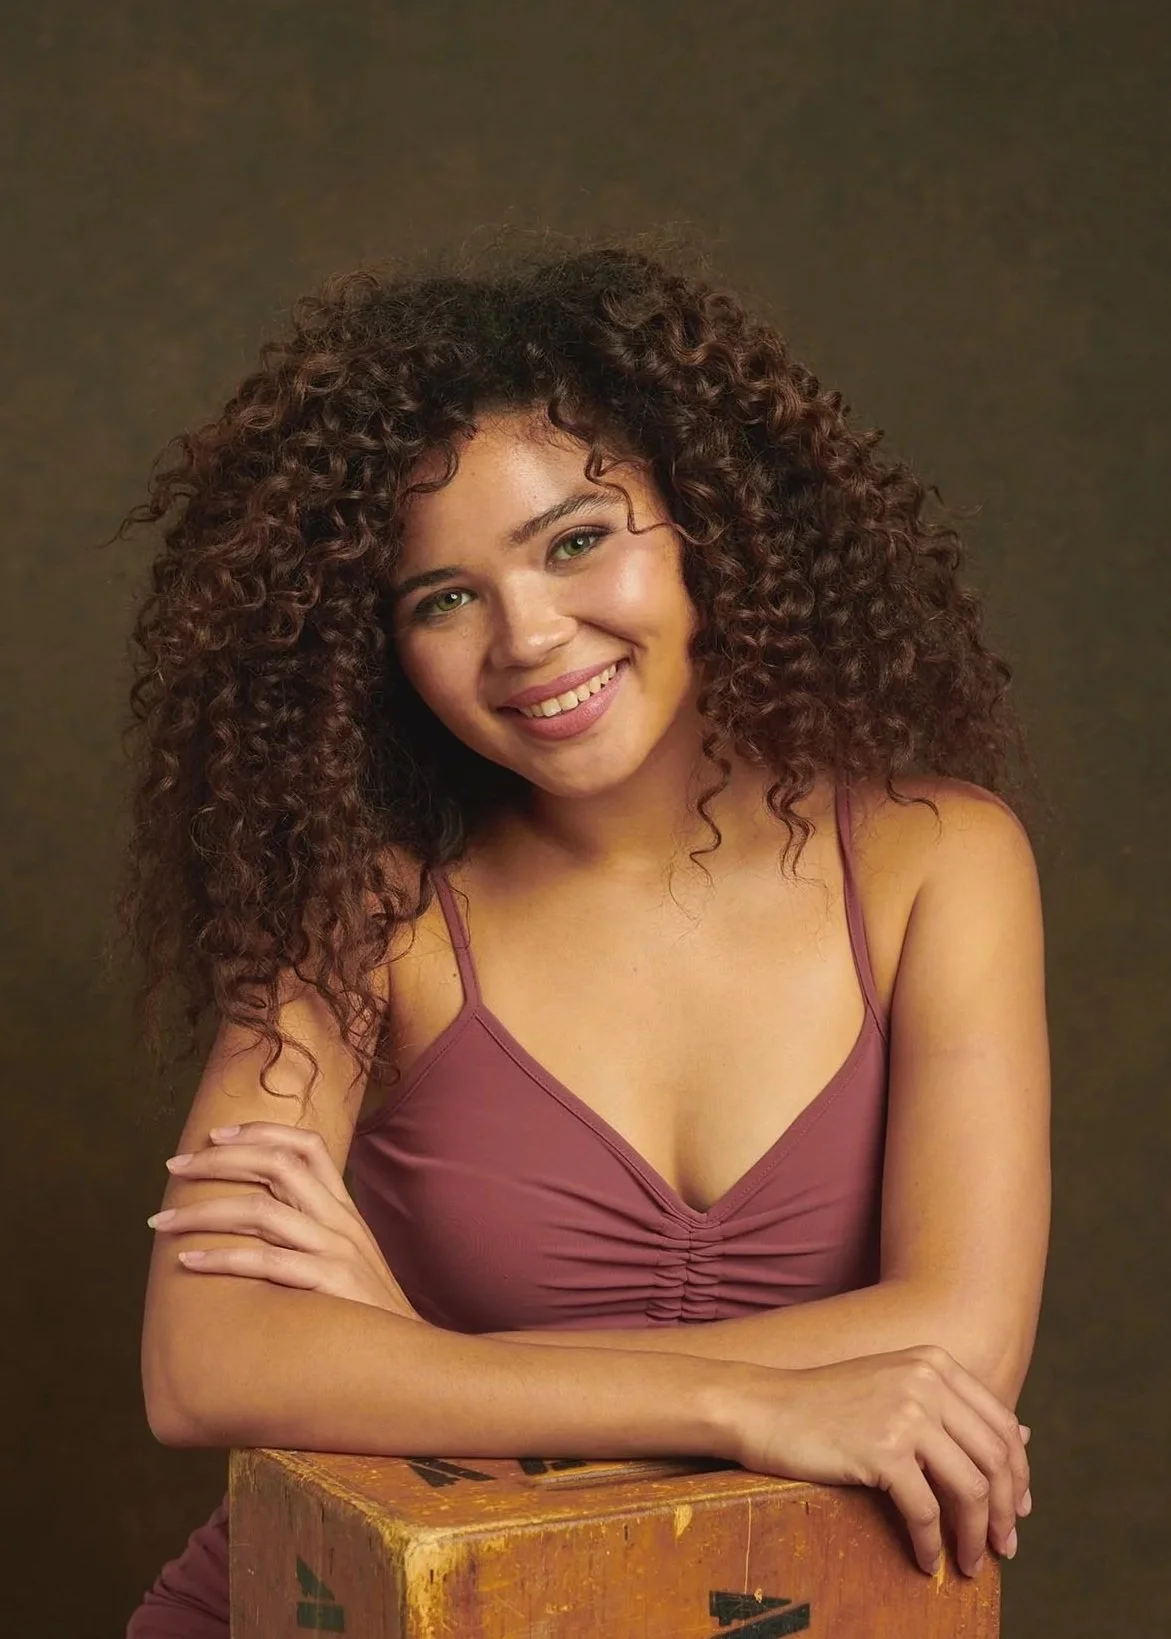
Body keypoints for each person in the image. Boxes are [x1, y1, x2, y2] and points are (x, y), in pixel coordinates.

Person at [119, 239, 1050, 1636]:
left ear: (704, 525)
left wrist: (408, 1366)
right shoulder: (363, 915)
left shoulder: (937, 861)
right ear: (377, 648)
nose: (530, 637)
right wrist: (749, 1396)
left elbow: (956, 1349)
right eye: (443, 598)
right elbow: (203, 1362)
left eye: (575, 541)